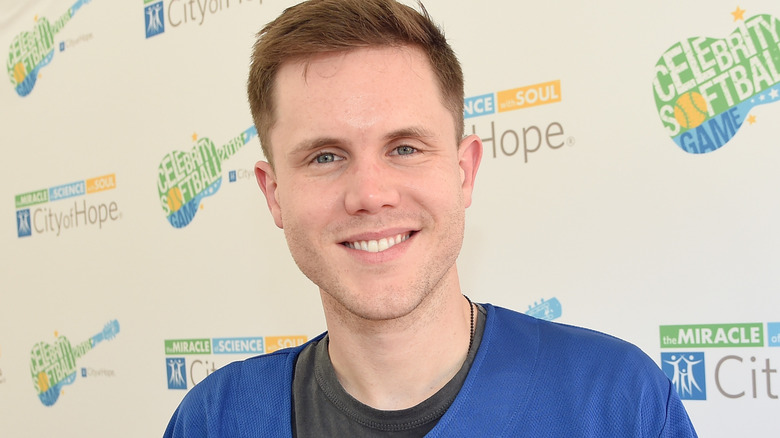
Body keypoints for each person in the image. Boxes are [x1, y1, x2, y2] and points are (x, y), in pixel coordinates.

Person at [164, 0, 699, 436]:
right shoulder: (215, 420)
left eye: (405, 148)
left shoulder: (615, 403)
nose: (370, 195)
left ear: (464, 172)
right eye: (325, 156)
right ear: (274, 193)